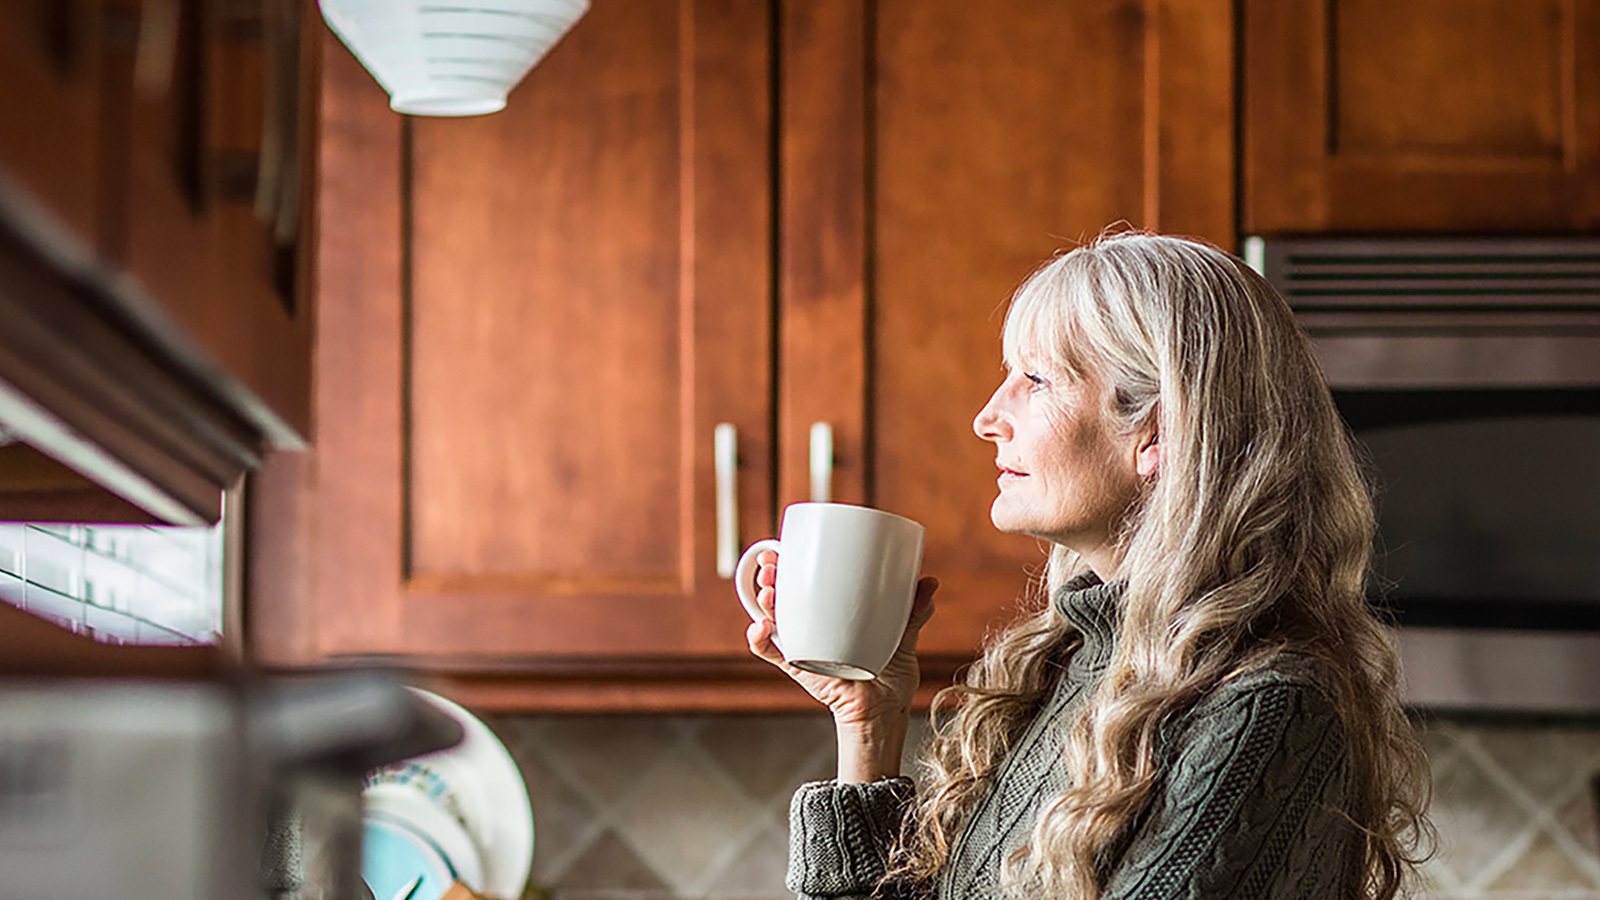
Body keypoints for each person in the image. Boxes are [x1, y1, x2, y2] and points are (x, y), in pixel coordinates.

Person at [743, 231, 1433, 900]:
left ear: (1156, 432)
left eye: (1036, 380)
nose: (989, 416)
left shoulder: (1263, 707)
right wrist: (868, 721)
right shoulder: (1066, 666)